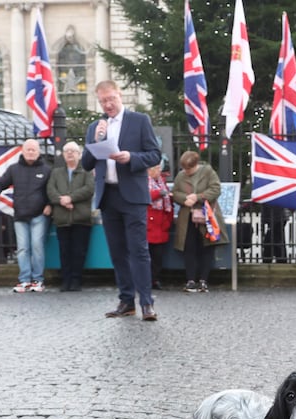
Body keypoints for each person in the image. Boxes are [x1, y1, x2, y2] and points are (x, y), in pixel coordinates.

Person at [80, 80, 161, 321]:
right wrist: (94, 141)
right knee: (117, 252)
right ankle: (126, 301)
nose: (108, 105)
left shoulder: (139, 121)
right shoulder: (96, 126)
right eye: (103, 101)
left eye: (111, 99)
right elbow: (86, 164)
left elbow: (154, 154)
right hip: (108, 195)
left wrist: (131, 157)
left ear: (119, 95)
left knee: (138, 250)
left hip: (133, 196)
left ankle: (146, 302)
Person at [0, 139, 51, 293]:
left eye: (33, 150)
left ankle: (38, 280)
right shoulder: (13, 169)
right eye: (28, 149)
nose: (31, 152)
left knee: (37, 246)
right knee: (22, 248)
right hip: (20, 215)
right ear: (22, 151)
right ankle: (24, 280)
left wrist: (50, 204)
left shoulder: (47, 170)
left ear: (38, 152)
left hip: (39, 215)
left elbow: (52, 189)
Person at [170, 151, 228, 293]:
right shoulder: (180, 176)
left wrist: (198, 197)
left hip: (206, 216)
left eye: (189, 169)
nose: (186, 171)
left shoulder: (208, 172)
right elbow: (175, 192)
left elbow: (215, 189)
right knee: (188, 248)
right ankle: (190, 280)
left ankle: (203, 280)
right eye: (184, 169)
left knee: (206, 247)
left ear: (195, 165)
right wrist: (185, 199)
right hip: (187, 217)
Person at [47, 141, 95, 292]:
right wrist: (62, 200)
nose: (69, 153)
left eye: (73, 151)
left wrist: (70, 198)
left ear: (79, 155)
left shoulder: (87, 171)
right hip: (62, 218)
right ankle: (65, 280)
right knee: (64, 251)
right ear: (63, 154)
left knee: (79, 251)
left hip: (81, 218)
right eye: (67, 151)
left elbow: (89, 189)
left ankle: (76, 280)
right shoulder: (56, 172)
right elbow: (50, 190)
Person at [146, 162, 173, 289]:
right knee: (147, 255)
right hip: (149, 223)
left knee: (158, 255)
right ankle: (147, 279)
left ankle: (155, 278)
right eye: (156, 168)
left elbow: (168, 202)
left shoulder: (162, 182)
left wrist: (168, 220)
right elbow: (145, 196)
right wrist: (159, 193)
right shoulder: (144, 181)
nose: (159, 171)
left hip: (161, 224)